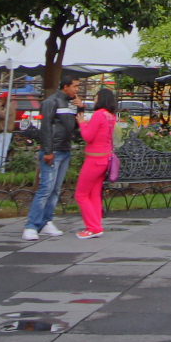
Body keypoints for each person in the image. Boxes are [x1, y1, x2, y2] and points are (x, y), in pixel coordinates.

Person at [24, 75, 81, 242]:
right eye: (75, 86)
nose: (77, 90)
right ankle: (31, 225)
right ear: (65, 86)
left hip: (64, 149)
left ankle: (46, 221)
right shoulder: (51, 102)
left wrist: (81, 108)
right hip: (53, 150)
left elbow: (75, 125)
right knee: (46, 188)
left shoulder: (70, 103)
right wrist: (48, 150)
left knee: (55, 189)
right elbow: (46, 127)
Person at [74, 87, 117, 239]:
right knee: (94, 194)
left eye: (96, 97)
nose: (94, 99)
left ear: (101, 99)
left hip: (93, 158)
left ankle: (93, 227)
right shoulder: (111, 116)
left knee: (81, 195)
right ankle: (96, 224)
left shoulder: (98, 114)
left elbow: (88, 136)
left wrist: (82, 123)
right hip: (104, 158)